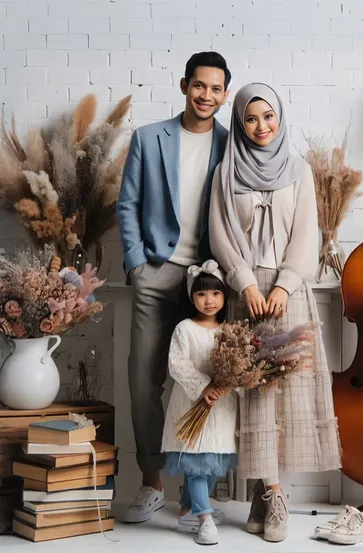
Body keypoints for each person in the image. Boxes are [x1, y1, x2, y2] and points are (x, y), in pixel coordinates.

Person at [209, 83, 341, 543]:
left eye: (269, 117)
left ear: (280, 117)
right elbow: (220, 234)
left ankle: (265, 497)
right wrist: (245, 283)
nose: (261, 126)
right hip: (246, 295)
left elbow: (307, 232)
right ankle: (274, 493)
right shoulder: (226, 171)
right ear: (240, 123)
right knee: (255, 394)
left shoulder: (299, 170)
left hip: (289, 293)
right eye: (251, 118)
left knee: (285, 393)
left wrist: (284, 284)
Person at [117, 52, 231, 523]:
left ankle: (197, 489)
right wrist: (136, 266)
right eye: (199, 85)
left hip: (211, 280)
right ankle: (151, 482)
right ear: (184, 84)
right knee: (145, 379)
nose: (207, 95)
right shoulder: (148, 137)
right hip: (157, 272)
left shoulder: (233, 143)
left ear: (225, 93)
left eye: (216, 89)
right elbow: (127, 204)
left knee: (207, 380)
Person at [161, 260, 237, 546]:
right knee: (196, 462)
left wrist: (229, 384)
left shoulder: (228, 331)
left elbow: (237, 368)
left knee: (211, 458)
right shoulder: (185, 329)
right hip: (192, 403)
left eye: (216, 294)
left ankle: (186, 507)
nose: (209, 300)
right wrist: (204, 386)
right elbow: (177, 365)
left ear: (224, 297)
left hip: (220, 408)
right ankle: (204, 517)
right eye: (202, 294)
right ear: (192, 297)